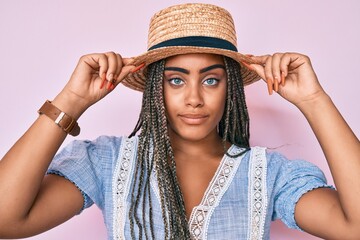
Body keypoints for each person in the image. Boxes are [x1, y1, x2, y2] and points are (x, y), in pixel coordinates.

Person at [0, 3, 359, 240]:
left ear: (230, 87)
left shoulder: (268, 174)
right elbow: (6, 218)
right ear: (156, 87)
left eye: (211, 79)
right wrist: (72, 101)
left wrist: (314, 101)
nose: (193, 97)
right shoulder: (108, 163)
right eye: (176, 79)